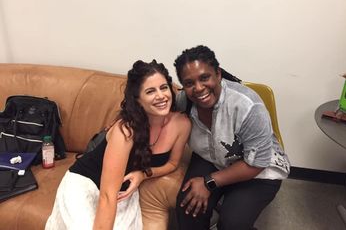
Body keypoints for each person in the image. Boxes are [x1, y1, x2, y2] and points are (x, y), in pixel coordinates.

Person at [45, 60, 191, 230]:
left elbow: (173, 164)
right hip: (86, 185)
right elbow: (107, 195)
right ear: (138, 100)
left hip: (122, 193)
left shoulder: (182, 124)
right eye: (150, 91)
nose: (161, 96)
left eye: (164, 87)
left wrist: (144, 174)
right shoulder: (126, 131)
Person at [174, 45, 290, 230]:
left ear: (218, 74)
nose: (198, 88)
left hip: (256, 169)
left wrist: (208, 182)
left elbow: (258, 163)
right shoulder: (184, 100)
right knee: (188, 208)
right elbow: (152, 109)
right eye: (189, 83)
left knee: (232, 223)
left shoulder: (248, 106)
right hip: (211, 158)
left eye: (205, 78)